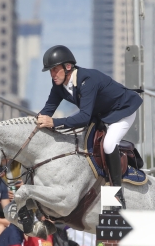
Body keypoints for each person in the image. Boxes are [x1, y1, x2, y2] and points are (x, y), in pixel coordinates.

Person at [37, 45, 143, 208]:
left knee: (108, 144)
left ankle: (116, 195)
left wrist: (54, 123)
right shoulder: (58, 85)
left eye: (55, 70)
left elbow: (84, 117)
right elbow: (47, 111)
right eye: (50, 71)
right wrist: (35, 123)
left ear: (68, 67)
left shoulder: (87, 80)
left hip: (122, 111)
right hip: (100, 114)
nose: (52, 74)